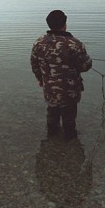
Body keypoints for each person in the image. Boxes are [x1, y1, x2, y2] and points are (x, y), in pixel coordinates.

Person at [30, 10, 92, 139]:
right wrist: (88, 60)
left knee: (52, 115)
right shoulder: (75, 44)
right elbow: (85, 66)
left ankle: (51, 139)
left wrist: (40, 79)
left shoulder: (39, 43)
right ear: (64, 24)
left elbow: (34, 64)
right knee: (69, 119)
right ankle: (71, 143)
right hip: (70, 91)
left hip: (50, 89)